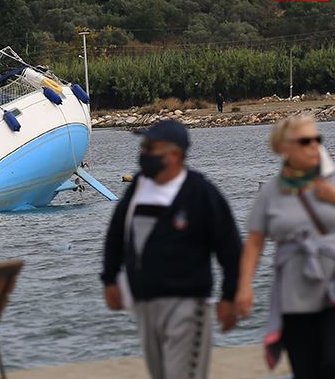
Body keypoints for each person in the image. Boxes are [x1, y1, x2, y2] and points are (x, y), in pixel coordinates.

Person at [101, 119, 241, 379]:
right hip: (144, 303)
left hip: (188, 303)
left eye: (150, 147)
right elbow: (116, 234)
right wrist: (109, 279)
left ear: (175, 154)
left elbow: (230, 249)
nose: (143, 153)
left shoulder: (201, 194)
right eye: (143, 146)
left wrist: (230, 296)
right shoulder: (138, 188)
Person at [236, 115, 335, 378]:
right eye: (305, 141)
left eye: (317, 139)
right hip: (295, 295)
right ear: (284, 149)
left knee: (331, 362)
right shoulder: (270, 191)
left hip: (332, 288)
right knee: (305, 368)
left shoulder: (332, 181)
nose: (314, 145)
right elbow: (255, 242)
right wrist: (244, 287)